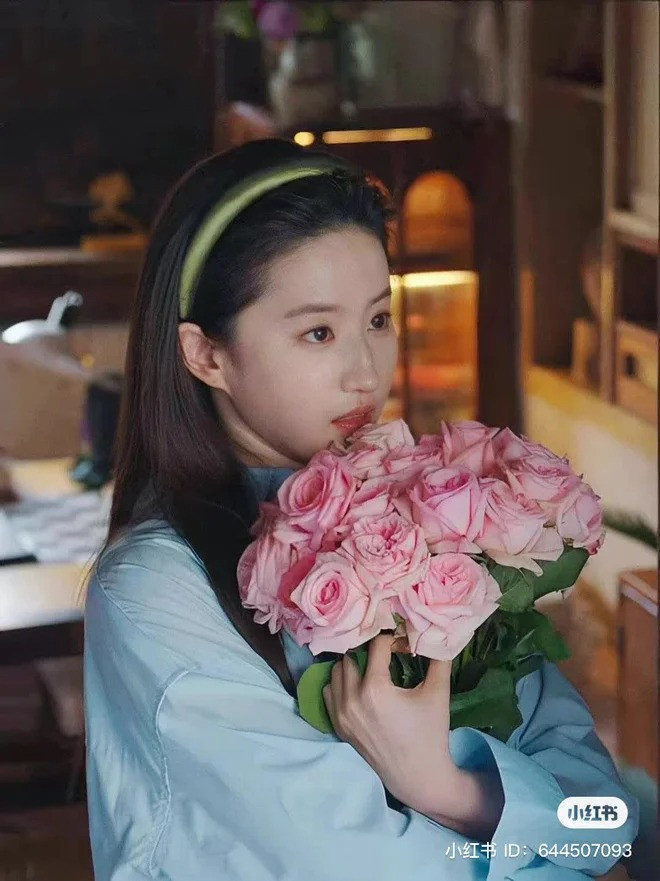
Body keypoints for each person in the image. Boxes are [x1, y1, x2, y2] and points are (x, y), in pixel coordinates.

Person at [84, 138, 639, 880]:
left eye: (378, 320)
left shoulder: (436, 523)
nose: (366, 373)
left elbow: (606, 820)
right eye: (318, 332)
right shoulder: (158, 590)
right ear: (205, 354)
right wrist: (550, 842)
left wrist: (450, 788)